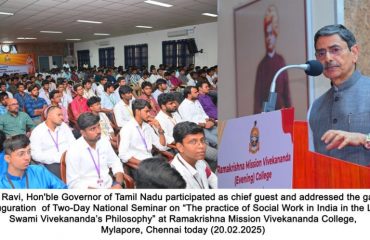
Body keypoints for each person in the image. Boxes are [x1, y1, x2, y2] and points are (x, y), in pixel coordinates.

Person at [308, 24, 370, 166]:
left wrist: (363, 139)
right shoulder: (315, 107)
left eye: (335, 50)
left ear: (354, 52)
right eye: (321, 53)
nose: (328, 58)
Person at [66, 112, 124, 189]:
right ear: (83, 133)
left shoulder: (103, 141)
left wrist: (118, 183)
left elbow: (115, 162)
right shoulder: (74, 150)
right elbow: (73, 183)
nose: (98, 131)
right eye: (93, 129)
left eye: (98, 126)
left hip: (110, 186)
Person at [253, 5, 291, 114]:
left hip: (281, 114)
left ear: (276, 33)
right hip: (266, 115)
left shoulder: (281, 61)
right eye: (266, 34)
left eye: (271, 33)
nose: (269, 38)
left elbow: (287, 93)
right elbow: (257, 98)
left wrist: (290, 113)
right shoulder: (261, 65)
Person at [118, 99, 166, 179]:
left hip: (151, 161)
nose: (149, 114)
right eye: (146, 111)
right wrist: (143, 163)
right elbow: (122, 154)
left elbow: (162, 146)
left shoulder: (147, 126)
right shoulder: (127, 129)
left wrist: (160, 129)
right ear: (137, 111)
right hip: (139, 166)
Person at [0, 134, 67, 189]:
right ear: (8, 158)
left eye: (29, 152)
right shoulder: (2, 183)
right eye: (21, 154)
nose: (27, 157)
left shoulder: (39, 171)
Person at [30, 106, 75, 178]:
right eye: (59, 115)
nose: (62, 118)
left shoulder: (64, 126)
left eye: (62, 115)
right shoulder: (38, 131)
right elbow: (35, 154)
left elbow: (73, 143)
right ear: (49, 116)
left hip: (69, 158)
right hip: (51, 163)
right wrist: (57, 158)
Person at [171, 121, 217, 189]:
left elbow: (212, 179)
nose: (201, 146)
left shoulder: (198, 160)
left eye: (202, 140)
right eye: (193, 142)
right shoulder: (177, 177)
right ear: (180, 147)